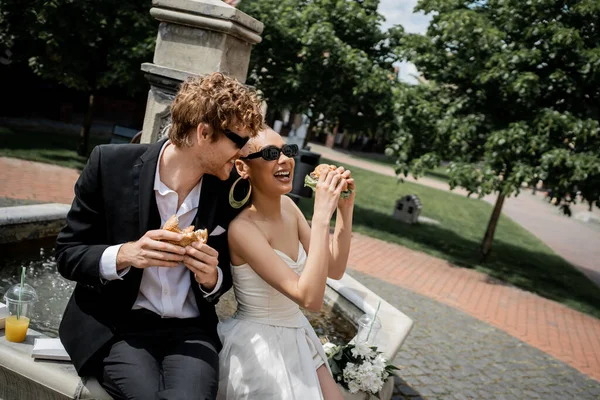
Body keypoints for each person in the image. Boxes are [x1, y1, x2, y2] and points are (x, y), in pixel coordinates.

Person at [55, 72, 264, 400]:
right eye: (238, 140)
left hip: (190, 333)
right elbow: (67, 253)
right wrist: (126, 254)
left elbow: (223, 276)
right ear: (203, 132)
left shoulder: (229, 189)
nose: (244, 151)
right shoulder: (110, 165)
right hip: (117, 327)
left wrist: (212, 276)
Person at [217, 128, 355, 399]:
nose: (284, 160)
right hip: (261, 347)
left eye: (287, 151)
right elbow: (310, 299)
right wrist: (321, 216)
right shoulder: (242, 230)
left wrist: (344, 209)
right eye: (270, 154)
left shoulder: (290, 209)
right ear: (243, 167)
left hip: (298, 336)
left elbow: (335, 269)